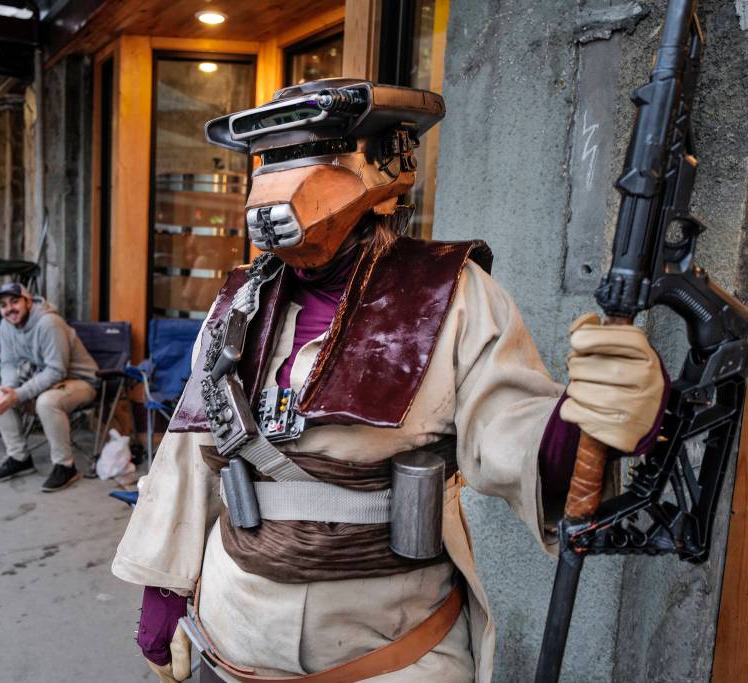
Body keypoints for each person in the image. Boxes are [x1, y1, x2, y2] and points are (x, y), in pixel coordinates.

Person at [111, 79, 667, 682]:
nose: (280, 181)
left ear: (383, 166)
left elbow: (513, 432)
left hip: (393, 648)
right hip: (235, 630)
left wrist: (591, 418)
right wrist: (162, 597)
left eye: (309, 153)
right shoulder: (239, 300)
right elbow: (192, 453)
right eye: (270, 158)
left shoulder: (449, 293)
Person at [0, 282, 100, 492]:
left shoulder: (49, 323)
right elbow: (8, 363)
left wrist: (19, 395)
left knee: (47, 402)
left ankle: (65, 466)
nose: (9, 308)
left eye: (14, 301)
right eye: (3, 305)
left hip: (81, 382)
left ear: (28, 301)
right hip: (46, 380)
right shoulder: (5, 326)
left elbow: (56, 370)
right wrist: (10, 391)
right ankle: (18, 457)